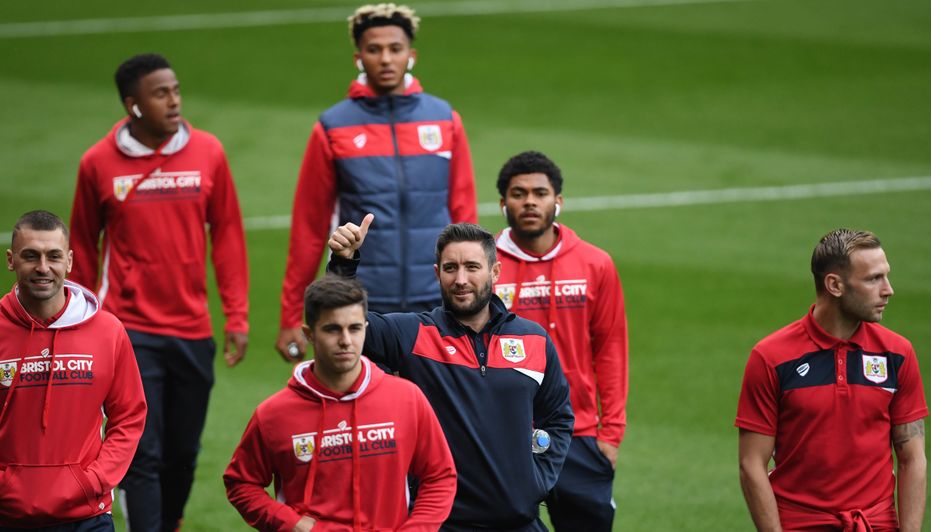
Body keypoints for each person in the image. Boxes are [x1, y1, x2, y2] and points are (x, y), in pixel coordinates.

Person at [69, 53, 249, 532]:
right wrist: (79, 328)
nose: (175, 101)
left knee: (183, 453)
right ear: (133, 105)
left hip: (192, 327)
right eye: (160, 93)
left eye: (175, 90)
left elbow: (227, 233)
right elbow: (82, 249)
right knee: (141, 452)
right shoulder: (98, 164)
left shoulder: (208, 152)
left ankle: (169, 523)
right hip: (127, 331)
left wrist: (237, 315)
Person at [327, 217, 573, 531]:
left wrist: (537, 480)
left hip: (519, 521)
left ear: (494, 272)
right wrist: (343, 264)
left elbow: (559, 417)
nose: (460, 279)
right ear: (436, 273)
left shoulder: (533, 340)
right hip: (441, 523)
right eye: (450, 268)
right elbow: (339, 326)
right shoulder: (414, 334)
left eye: (472, 267)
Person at [276, 3, 477, 361]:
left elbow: (466, 217)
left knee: (438, 415)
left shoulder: (445, 120)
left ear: (410, 55)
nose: (385, 58)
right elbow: (309, 227)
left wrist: (476, 297)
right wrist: (292, 314)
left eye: (395, 49)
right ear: (359, 57)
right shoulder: (332, 127)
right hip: (363, 305)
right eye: (374, 49)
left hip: (436, 302)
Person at [224, 275, 457, 531]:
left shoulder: (407, 399)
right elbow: (241, 484)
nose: (346, 340)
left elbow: (440, 476)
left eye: (355, 328)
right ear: (309, 334)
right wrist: (291, 524)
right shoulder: (274, 414)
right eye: (333, 329)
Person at [736, 229, 927, 531]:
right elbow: (751, 464)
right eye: (873, 279)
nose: (888, 289)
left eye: (886, 276)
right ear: (835, 285)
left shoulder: (897, 354)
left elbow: (912, 458)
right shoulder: (771, 357)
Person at [493, 151, 629, 531]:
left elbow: (611, 349)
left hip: (580, 436)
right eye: (519, 194)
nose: (530, 201)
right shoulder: (482, 266)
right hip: (504, 437)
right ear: (504, 203)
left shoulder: (595, 264)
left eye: (540, 192)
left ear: (559, 202)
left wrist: (611, 435)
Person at [0, 210, 147, 530]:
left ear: (68, 261)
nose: (43, 267)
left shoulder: (107, 331)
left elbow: (130, 416)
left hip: (87, 516)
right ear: (11, 260)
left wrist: (94, 480)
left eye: (53, 256)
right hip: (7, 515)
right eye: (30, 256)